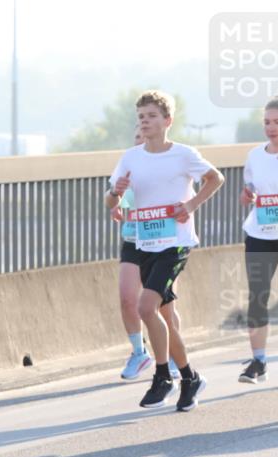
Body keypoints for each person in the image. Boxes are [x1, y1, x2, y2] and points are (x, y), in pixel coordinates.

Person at [106, 90, 224, 411]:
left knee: (147, 307)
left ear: (167, 121)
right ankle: (190, 377)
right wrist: (115, 195)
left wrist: (190, 204)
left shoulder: (183, 154)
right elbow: (110, 200)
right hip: (146, 243)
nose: (144, 122)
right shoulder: (131, 157)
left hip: (176, 243)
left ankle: (162, 377)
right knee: (165, 321)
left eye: (151, 116)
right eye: (141, 117)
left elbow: (215, 178)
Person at [114, 126, 182, 381]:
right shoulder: (129, 165)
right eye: (136, 139)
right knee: (127, 299)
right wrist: (116, 204)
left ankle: (174, 355)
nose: (140, 143)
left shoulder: (169, 165)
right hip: (133, 240)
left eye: (145, 138)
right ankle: (139, 352)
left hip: (163, 242)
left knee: (163, 306)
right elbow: (119, 200)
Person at [237, 96, 278, 383]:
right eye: (266, 122)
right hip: (260, 234)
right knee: (257, 297)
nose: (271, 127)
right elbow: (251, 184)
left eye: (276, 122)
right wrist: (246, 194)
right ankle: (259, 361)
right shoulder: (255, 155)